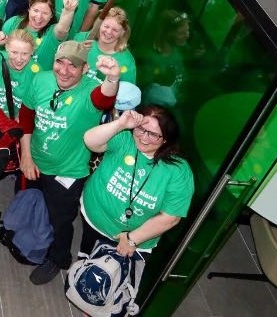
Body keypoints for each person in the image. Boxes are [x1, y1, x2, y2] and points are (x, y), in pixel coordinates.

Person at [15, 40, 122, 285]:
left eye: (72, 66)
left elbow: (104, 98)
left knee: (60, 220)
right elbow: (27, 114)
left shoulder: (90, 92)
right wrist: (26, 156)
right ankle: (32, 240)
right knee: (29, 204)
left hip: (67, 172)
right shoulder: (41, 80)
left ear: (85, 69)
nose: (64, 70)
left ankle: (58, 258)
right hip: (35, 161)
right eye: (59, 63)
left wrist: (113, 78)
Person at [76, 104, 194, 306]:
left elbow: (171, 217)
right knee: (86, 258)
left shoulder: (178, 170)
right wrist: (121, 124)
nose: (144, 138)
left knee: (113, 284)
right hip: (94, 220)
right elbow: (90, 141)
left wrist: (132, 239)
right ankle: (82, 282)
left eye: (154, 135)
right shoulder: (124, 138)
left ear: (165, 139)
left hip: (131, 242)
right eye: (142, 129)